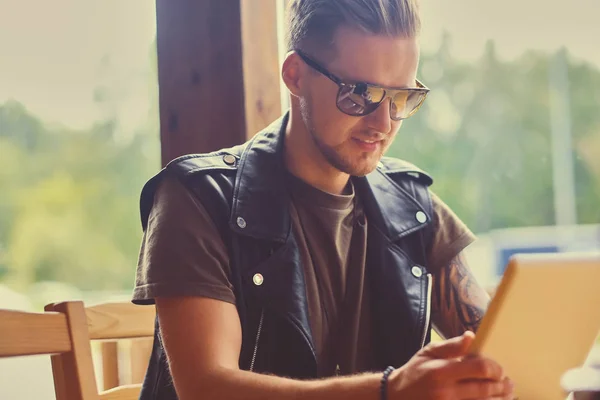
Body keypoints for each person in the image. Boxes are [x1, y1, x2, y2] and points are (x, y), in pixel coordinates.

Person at [132, 0, 514, 399]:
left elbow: (503, 356)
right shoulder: (197, 198)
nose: (382, 123)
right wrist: (389, 392)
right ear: (295, 75)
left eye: (400, 97)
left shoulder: (414, 209)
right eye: (360, 94)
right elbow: (207, 388)